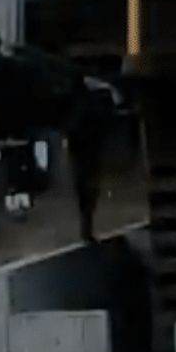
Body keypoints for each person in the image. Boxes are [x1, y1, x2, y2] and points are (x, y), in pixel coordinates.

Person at [65, 77, 118, 243]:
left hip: (83, 152)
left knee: (85, 191)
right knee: (88, 190)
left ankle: (85, 228)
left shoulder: (78, 106)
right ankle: (86, 228)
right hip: (88, 152)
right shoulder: (91, 106)